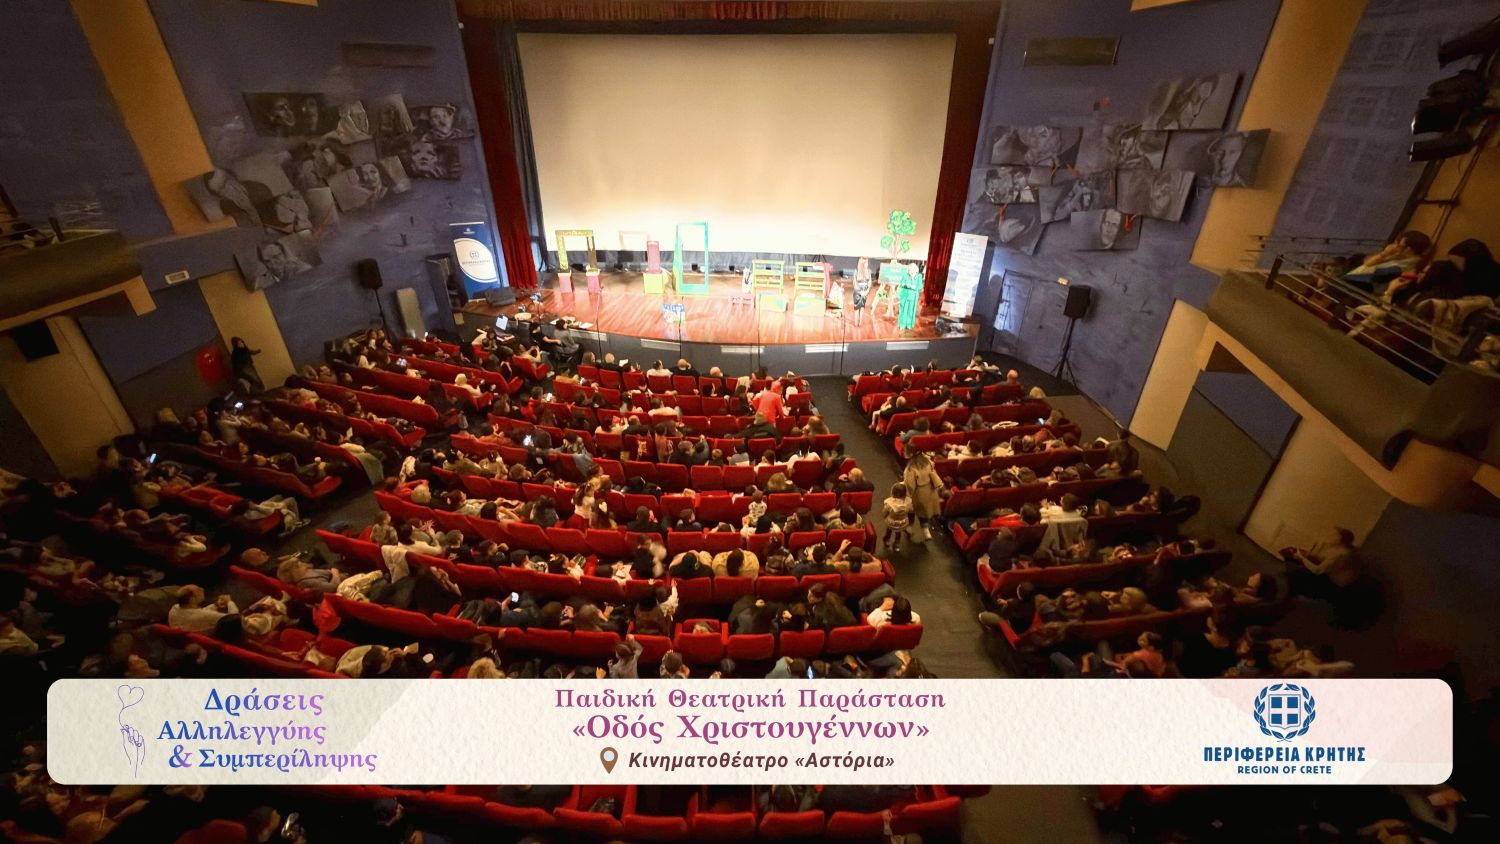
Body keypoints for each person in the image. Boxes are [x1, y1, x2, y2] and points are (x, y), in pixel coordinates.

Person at [1283, 527, 1360, 595]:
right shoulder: (1337, 548)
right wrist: (1307, 555)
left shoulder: (1342, 554)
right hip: (1328, 574)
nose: (1331, 536)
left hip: (1335, 584)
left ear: (1341, 540)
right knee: (1301, 564)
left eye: (1335, 535)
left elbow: (1318, 570)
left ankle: (1289, 592)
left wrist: (1301, 558)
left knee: (1299, 573)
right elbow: (1322, 559)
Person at [901, 451, 944, 543]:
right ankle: (926, 531)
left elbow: (910, 485)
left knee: (911, 510)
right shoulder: (928, 462)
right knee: (923, 512)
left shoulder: (911, 468)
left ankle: (909, 527)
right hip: (930, 491)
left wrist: (906, 494)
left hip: (918, 492)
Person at [881, 482, 912, 554]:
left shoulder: (889, 503)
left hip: (891, 522)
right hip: (902, 522)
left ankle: (886, 540)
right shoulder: (908, 502)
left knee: (888, 531)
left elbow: (884, 512)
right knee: (898, 533)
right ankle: (897, 544)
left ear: (893, 492)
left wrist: (885, 517)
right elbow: (911, 511)